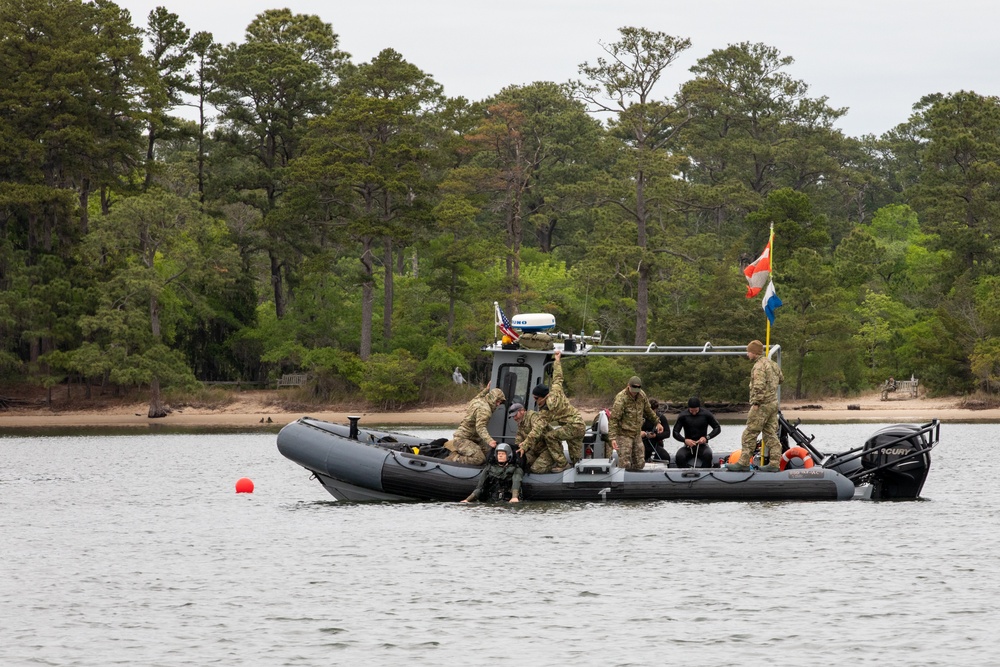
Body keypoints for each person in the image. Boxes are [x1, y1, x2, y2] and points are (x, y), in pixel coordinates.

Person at [518, 350, 585, 473]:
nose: (535, 400)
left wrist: (525, 445)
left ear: (543, 397)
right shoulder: (556, 391)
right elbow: (558, 377)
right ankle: (577, 472)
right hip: (578, 424)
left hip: (573, 426)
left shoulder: (547, 410)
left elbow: (536, 431)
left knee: (550, 436)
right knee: (576, 457)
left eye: (536, 398)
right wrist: (557, 360)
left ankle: (563, 463)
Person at [727, 340, 784, 472]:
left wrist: (756, 403)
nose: (747, 354)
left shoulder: (759, 366)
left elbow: (758, 386)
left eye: (749, 352)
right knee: (770, 433)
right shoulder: (773, 364)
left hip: (762, 405)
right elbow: (781, 379)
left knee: (750, 433)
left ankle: (744, 462)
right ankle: (775, 463)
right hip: (773, 404)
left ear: (753, 352)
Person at [608, 375, 662, 471]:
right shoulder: (621, 399)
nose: (635, 392)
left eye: (638, 388)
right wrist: (612, 438)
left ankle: (635, 481)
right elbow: (614, 419)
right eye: (633, 388)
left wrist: (657, 422)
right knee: (625, 463)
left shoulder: (641, 395)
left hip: (636, 433)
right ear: (628, 386)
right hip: (624, 434)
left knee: (640, 462)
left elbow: (648, 410)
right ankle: (622, 481)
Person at [445, 387, 506, 465]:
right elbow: (480, 427)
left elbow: (480, 395)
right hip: (463, 439)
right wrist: (489, 440)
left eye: (500, 402)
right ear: (492, 399)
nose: (498, 405)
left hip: (474, 439)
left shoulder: (477, 400)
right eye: (497, 401)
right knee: (479, 459)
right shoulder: (485, 411)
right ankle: (454, 458)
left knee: (489, 455)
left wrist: (486, 389)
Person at [672, 396, 721, 468]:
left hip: (702, 445)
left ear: (699, 408)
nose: (694, 413)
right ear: (688, 408)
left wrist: (706, 438)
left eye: (696, 411)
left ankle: (704, 473)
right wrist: (685, 440)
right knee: (680, 456)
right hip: (688, 446)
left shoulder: (706, 414)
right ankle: (685, 473)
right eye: (692, 411)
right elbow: (675, 432)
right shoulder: (683, 415)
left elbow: (717, 428)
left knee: (708, 455)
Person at [642, 399, 672, 463]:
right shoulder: (640, 417)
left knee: (665, 457)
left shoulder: (661, 417)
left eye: (654, 411)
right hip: (642, 444)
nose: (652, 413)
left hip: (656, 444)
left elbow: (667, 433)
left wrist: (656, 435)